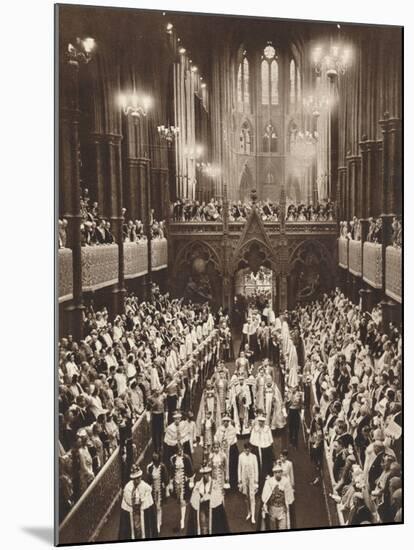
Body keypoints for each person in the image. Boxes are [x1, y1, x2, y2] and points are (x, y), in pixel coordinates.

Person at [187, 465, 229, 536]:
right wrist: (200, 498)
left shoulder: (215, 484)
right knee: (203, 527)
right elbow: (194, 497)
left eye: (207, 473)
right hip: (202, 509)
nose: (205, 476)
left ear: (209, 473)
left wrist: (210, 497)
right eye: (204, 474)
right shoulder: (198, 484)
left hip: (212, 510)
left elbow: (218, 496)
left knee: (213, 527)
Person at [118, 465, 158, 540]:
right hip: (133, 514)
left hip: (142, 515)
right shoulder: (128, 488)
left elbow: (149, 506)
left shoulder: (145, 487)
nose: (137, 480)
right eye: (135, 479)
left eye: (138, 478)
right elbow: (127, 501)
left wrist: (142, 501)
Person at [260, 463, 294, 531]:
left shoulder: (286, 481)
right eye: (276, 472)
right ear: (273, 473)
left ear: (281, 472)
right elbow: (265, 497)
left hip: (282, 510)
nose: (278, 474)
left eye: (279, 472)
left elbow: (289, 498)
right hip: (272, 509)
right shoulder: (269, 482)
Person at [170, 444, 193, 530]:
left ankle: (182, 520)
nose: (180, 451)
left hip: (184, 482)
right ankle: (181, 514)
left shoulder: (186, 458)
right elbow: (171, 471)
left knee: (182, 500)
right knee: (179, 500)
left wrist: (191, 481)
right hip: (176, 482)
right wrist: (171, 483)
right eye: (178, 450)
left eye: (181, 449)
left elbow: (190, 470)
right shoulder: (173, 459)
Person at [249, 414, 274, 489]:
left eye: (262, 421)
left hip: (266, 449)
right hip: (257, 449)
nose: (261, 423)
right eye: (260, 421)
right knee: (257, 466)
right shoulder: (255, 429)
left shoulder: (267, 428)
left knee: (266, 465)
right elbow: (252, 440)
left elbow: (270, 440)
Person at [214, 415, 239, 490]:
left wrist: (226, 443)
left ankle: (232, 483)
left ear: (229, 422)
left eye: (227, 421)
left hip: (231, 449)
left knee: (231, 465)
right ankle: (221, 481)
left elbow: (231, 439)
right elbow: (216, 436)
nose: (226, 423)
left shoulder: (232, 429)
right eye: (224, 421)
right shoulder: (220, 429)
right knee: (222, 464)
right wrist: (217, 441)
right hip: (222, 449)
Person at [146, 453, 169, 532]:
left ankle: (158, 523)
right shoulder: (149, 468)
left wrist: (164, 485)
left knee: (158, 506)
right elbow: (148, 480)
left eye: (157, 462)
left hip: (159, 490)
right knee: (154, 506)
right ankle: (156, 521)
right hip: (152, 490)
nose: (156, 464)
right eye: (155, 462)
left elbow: (166, 479)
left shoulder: (162, 467)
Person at [238, 442, 259, 524]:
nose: (247, 450)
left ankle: (253, 516)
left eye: (249, 449)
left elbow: (256, 469)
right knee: (246, 497)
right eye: (246, 449)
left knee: (252, 496)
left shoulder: (254, 457)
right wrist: (239, 481)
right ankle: (249, 512)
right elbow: (239, 469)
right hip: (244, 479)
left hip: (252, 479)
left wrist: (256, 482)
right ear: (244, 449)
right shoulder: (240, 456)